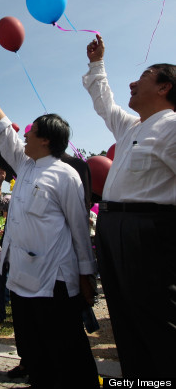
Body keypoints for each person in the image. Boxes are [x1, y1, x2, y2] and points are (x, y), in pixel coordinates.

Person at [0, 70, 99, 388]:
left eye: (32, 132)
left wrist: (87, 276)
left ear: (46, 140)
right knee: (35, 349)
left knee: (66, 348)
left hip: (53, 281)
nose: (24, 135)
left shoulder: (65, 175)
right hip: (20, 278)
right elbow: (4, 131)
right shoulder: (25, 163)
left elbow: (79, 231)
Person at [84, 34, 176, 378]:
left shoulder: (172, 128)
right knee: (126, 323)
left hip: (150, 234)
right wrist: (97, 63)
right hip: (114, 231)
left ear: (165, 87)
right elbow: (104, 102)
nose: (133, 83)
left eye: (145, 77)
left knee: (157, 325)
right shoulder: (131, 128)